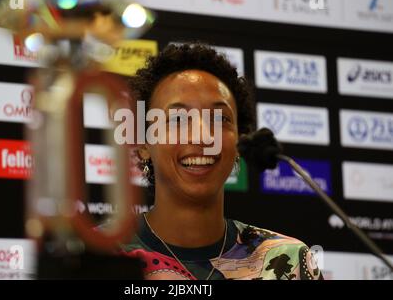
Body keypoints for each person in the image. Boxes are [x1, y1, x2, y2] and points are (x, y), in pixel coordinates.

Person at [118, 42, 323, 280]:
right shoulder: (99, 258)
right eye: (177, 119)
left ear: (240, 140)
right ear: (144, 145)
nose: (203, 135)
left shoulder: (289, 261)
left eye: (219, 118)